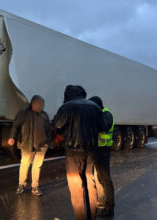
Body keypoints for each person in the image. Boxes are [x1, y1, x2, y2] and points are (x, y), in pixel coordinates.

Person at [52, 85, 103, 220]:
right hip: (91, 150)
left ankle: (80, 217)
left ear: (67, 95)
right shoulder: (94, 107)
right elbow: (103, 125)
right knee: (90, 183)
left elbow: (57, 126)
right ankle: (93, 216)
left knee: (76, 186)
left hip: (73, 152)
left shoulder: (66, 107)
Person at [8, 95, 51, 196]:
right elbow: (16, 125)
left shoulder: (44, 114)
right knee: (25, 164)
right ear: (33, 103)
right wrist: (12, 137)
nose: (41, 106)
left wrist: (48, 141)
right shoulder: (24, 113)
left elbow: (49, 129)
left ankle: (35, 186)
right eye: (39, 103)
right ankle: (21, 184)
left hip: (42, 146)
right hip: (27, 144)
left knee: (37, 166)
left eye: (42, 104)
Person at [89, 96, 115, 217]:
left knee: (105, 179)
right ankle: (103, 203)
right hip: (96, 150)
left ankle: (110, 207)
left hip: (103, 151)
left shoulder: (106, 114)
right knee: (99, 178)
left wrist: (95, 116)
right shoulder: (99, 114)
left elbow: (105, 126)